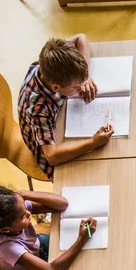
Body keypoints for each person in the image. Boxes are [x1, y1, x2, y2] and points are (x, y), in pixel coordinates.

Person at [0, 170, 91, 270]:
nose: (29, 213)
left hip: (35, 245)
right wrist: (81, 239)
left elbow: (62, 204)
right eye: (23, 216)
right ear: (5, 228)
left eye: (25, 208)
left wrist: (23, 195)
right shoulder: (8, 248)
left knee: (85, 256)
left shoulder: (15, 210)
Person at [18, 34, 114, 180]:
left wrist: (85, 77)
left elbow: (81, 38)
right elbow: (52, 156)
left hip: (55, 124)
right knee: (99, 176)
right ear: (56, 87)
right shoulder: (39, 110)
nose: (81, 88)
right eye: (76, 87)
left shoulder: (51, 61)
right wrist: (93, 143)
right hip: (48, 149)